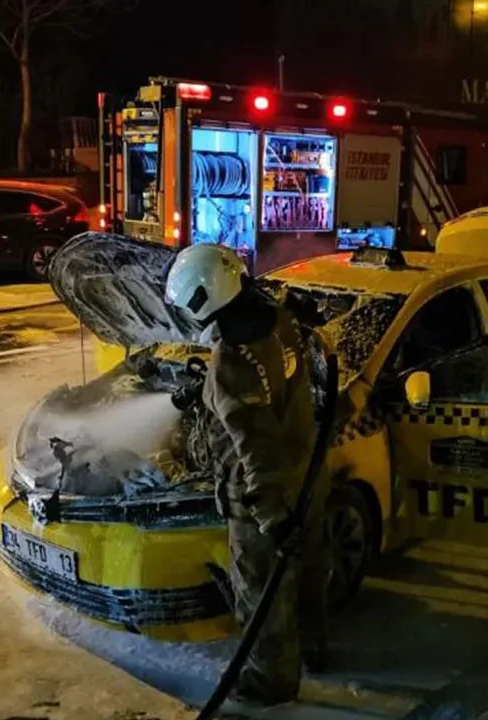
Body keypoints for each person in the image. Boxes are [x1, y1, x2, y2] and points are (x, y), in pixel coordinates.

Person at [164, 243, 329, 710]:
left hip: (261, 496)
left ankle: (270, 682)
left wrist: (271, 516)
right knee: (310, 571)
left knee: (262, 594)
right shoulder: (279, 318)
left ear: (204, 298)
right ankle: (316, 650)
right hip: (307, 470)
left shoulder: (231, 364)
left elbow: (254, 445)